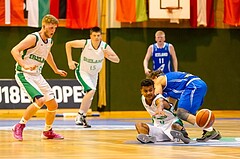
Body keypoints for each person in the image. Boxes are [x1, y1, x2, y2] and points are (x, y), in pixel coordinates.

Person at [11, 14, 67, 141]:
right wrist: (24, 64)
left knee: (53, 105)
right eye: (51, 28)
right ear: (44, 26)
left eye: (55, 28)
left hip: (37, 75)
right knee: (40, 101)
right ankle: (19, 125)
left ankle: (47, 131)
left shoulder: (49, 41)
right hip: (24, 74)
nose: (53, 31)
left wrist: (56, 69)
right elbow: (14, 50)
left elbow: (47, 54)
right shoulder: (33, 38)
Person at [65, 26, 120, 128]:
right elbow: (68, 44)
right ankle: (79, 115)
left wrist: (107, 56)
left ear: (101, 36)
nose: (96, 38)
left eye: (98, 35)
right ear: (90, 36)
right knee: (91, 91)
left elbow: (117, 59)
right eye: (94, 35)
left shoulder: (104, 46)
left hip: (94, 74)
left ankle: (83, 116)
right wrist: (70, 61)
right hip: (83, 71)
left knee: (90, 96)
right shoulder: (85, 43)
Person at [149, 70, 221, 142]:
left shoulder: (159, 79)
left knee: (181, 113)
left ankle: (210, 131)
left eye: (152, 83)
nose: (152, 87)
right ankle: (211, 131)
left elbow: (158, 97)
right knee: (187, 114)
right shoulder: (171, 86)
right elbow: (171, 107)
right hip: (198, 85)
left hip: (193, 85)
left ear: (155, 77)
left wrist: (157, 109)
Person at [135, 79, 191, 144]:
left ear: (154, 89)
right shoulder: (143, 98)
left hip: (171, 124)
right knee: (139, 125)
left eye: (150, 90)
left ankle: (184, 135)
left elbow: (160, 102)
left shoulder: (159, 99)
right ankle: (148, 138)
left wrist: (159, 109)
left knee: (176, 126)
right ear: (141, 91)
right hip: (159, 127)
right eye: (145, 91)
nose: (148, 93)